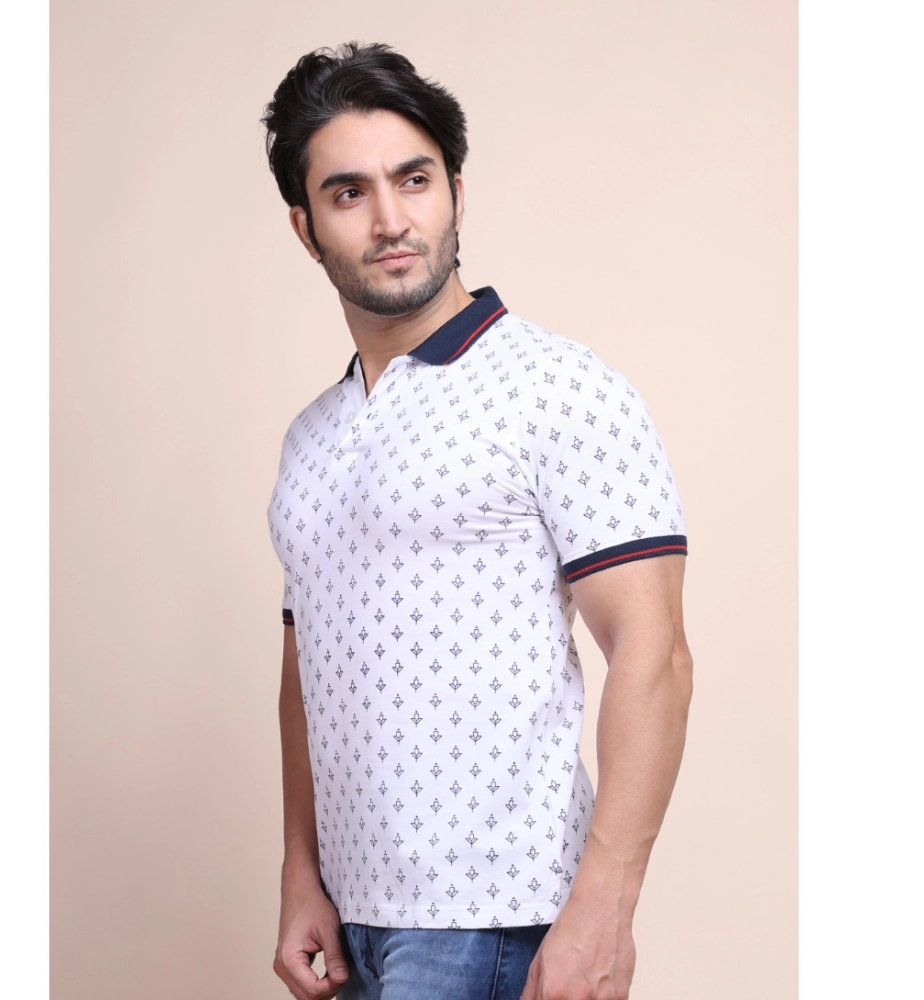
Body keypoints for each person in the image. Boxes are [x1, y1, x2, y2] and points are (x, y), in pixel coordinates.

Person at [262, 42, 692, 1000]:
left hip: (497, 921)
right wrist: (301, 872)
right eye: (348, 193)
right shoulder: (310, 440)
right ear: (306, 228)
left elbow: (654, 652)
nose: (390, 220)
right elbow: (306, 676)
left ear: (455, 191)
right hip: (348, 922)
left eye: (413, 180)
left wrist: (603, 910)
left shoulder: (559, 389)